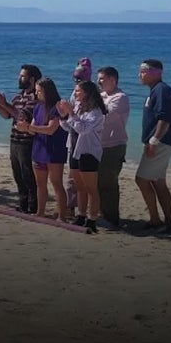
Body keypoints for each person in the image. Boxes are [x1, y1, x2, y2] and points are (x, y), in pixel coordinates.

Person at [0, 64, 41, 213]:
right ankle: (23, 204)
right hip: (14, 139)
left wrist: (3, 103)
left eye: (22, 76)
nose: (19, 78)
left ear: (32, 79)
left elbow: (21, 116)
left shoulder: (36, 97)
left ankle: (32, 206)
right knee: (17, 174)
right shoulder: (18, 96)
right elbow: (7, 115)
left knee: (28, 175)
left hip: (27, 141)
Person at [135, 59, 171, 232]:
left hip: (162, 142)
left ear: (156, 73)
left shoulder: (162, 90)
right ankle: (170, 222)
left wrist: (154, 141)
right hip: (159, 142)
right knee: (158, 182)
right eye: (140, 71)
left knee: (141, 179)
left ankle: (156, 220)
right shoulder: (155, 90)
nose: (140, 74)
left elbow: (164, 119)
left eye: (144, 71)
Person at [16, 77, 70, 221]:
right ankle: (40, 212)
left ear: (47, 91)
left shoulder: (57, 107)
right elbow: (33, 129)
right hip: (39, 148)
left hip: (54, 149)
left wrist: (30, 127)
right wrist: (25, 127)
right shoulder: (38, 106)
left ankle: (62, 216)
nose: (37, 93)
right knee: (40, 184)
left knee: (56, 183)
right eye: (36, 91)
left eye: (39, 91)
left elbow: (51, 129)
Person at [58, 80, 108, 234]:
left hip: (88, 151)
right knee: (79, 187)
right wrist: (63, 116)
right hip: (74, 149)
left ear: (87, 93)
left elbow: (83, 129)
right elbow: (69, 127)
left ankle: (92, 219)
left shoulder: (96, 111)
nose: (75, 93)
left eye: (78, 91)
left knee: (91, 188)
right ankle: (81, 215)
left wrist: (71, 113)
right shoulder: (79, 106)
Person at [96, 67, 131, 227]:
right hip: (99, 145)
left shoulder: (120, 98)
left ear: (113, 80)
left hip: (113, 146)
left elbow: (105, 117)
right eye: (98, 78)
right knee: (97, 182)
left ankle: (111, 218)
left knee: (108, 183)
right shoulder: (102, 95)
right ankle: (101, 213)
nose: (99, 82)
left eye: (102, 79)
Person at [62, 58, 95, 218]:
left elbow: (87, 124)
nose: (77, 81)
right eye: (75, 78)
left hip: (88, 144)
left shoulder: (93, 95)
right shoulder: (75, 93)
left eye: (80, 78)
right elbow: (70, 119)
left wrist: (71, 115)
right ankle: (71, 207)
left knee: (88, 182)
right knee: (72, 178)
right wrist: (64, 115)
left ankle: (90, 213)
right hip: (74, 139)